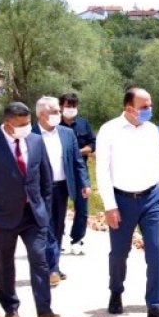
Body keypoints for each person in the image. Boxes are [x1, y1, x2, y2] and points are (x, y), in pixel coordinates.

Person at [0, 102, 59, 317]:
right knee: (5, 264)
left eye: (28, 122)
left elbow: (46, 180)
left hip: (33, 216)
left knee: (40, 261)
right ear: (8, 123)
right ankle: (11, 308)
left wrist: (45, 212)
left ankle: (44, 311)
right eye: (22, 124)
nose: (27, 127)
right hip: (2, 217)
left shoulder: (36, 141)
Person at [95, 87, 159, 317]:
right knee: (119, 253)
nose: (149, 110)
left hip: (151, 198)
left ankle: (155, 304)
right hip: (122, 200)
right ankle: (116, 292)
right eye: (144, 107)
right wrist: (110, 206)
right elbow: (102, 171)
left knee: (156, 250)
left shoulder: (151, 131)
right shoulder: (109, 130)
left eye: (150, 105)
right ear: (129, 108)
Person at [31, 96, 90, 288]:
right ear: (41, 114)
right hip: (39, 189)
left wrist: (85, 183)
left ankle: (53, 265)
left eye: (58, 111)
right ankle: (52, 269)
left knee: (57, 228)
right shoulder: (30, 134)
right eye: (55, 111)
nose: (59, 114)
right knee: (45, 228)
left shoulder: (66, 134)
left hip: (62, 188)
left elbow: (77, 161)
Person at [59, 92, 96, 255]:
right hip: (60, 173)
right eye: (68, 106)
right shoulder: (55, 124)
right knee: (58, 208)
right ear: (61, 107)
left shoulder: (83, 124)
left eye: (74, 106)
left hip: (81, 171)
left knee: (82, 208)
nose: (71, 109)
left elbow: (93, 144)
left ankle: (77, 240)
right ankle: (57, 239)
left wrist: (77, 151)